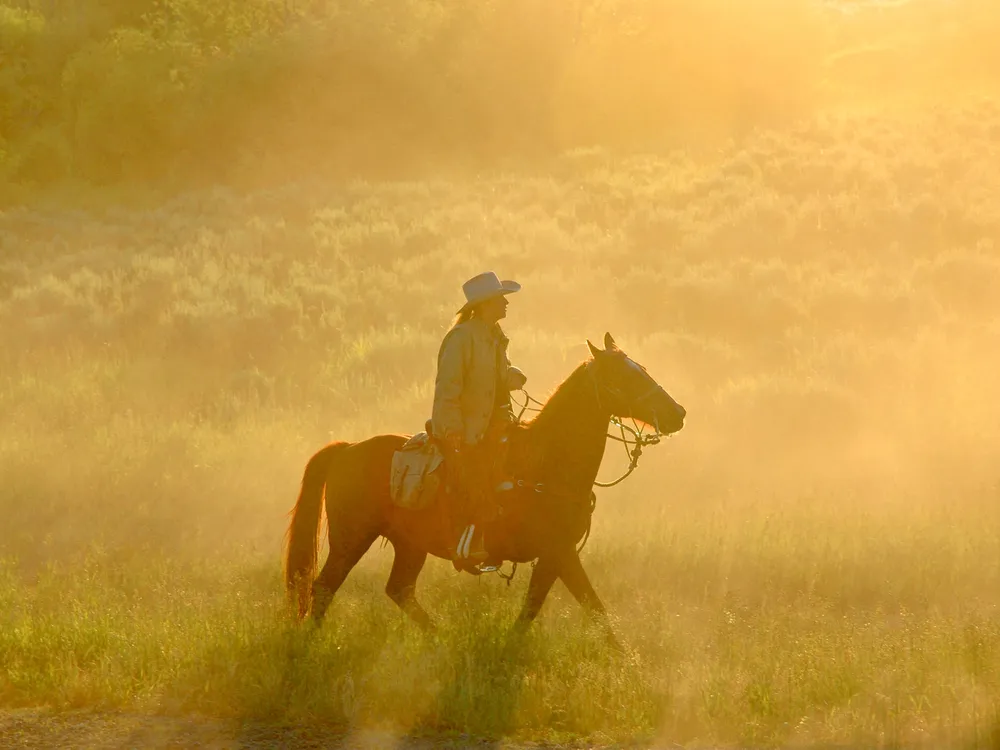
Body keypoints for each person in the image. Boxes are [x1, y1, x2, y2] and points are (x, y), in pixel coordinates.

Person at [431, 271, 528, 571]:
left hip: (493, 425)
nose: (506, 304)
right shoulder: (463, 338)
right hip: (468, 431)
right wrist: (453, 429)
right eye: (501, 299)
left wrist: (513, 376)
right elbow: (448, 387)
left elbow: (497, 375)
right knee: (475, 481)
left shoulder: (493, 337)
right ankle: (467, 545)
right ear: (486, 304)